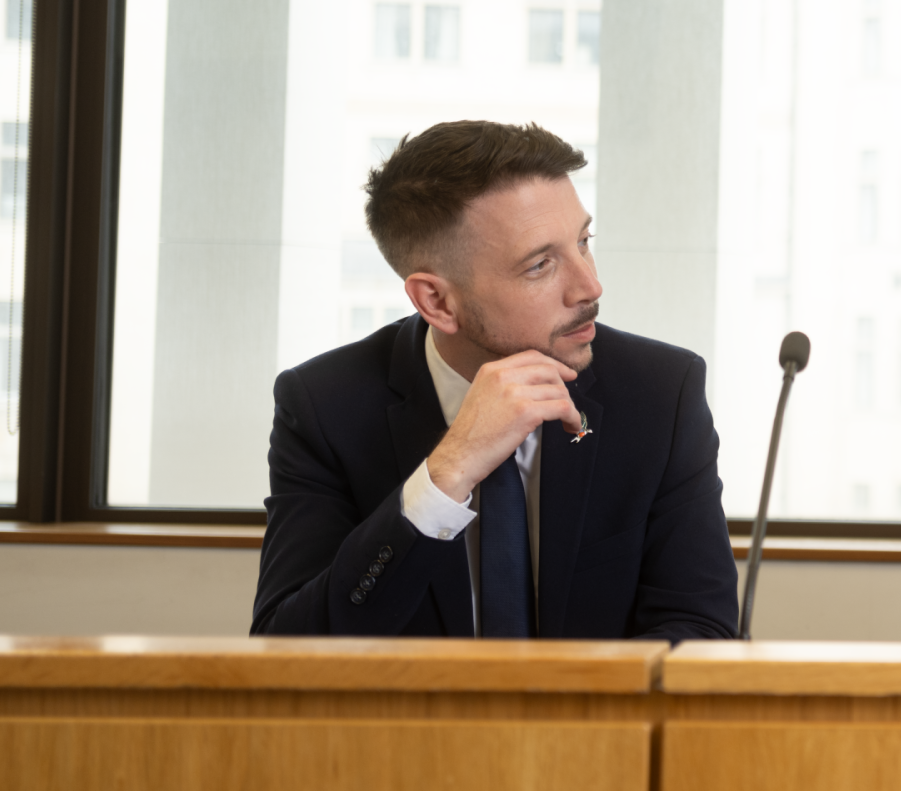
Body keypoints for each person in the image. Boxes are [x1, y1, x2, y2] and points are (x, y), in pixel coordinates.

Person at [253, 121, 739, 641]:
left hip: (593, 722)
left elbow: (700, 630)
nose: (590, 286)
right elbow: (288, 647)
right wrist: (449, 470)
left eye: (583, 241)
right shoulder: (325, 406)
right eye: (540, 265)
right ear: (437, 301)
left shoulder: (660, 392)